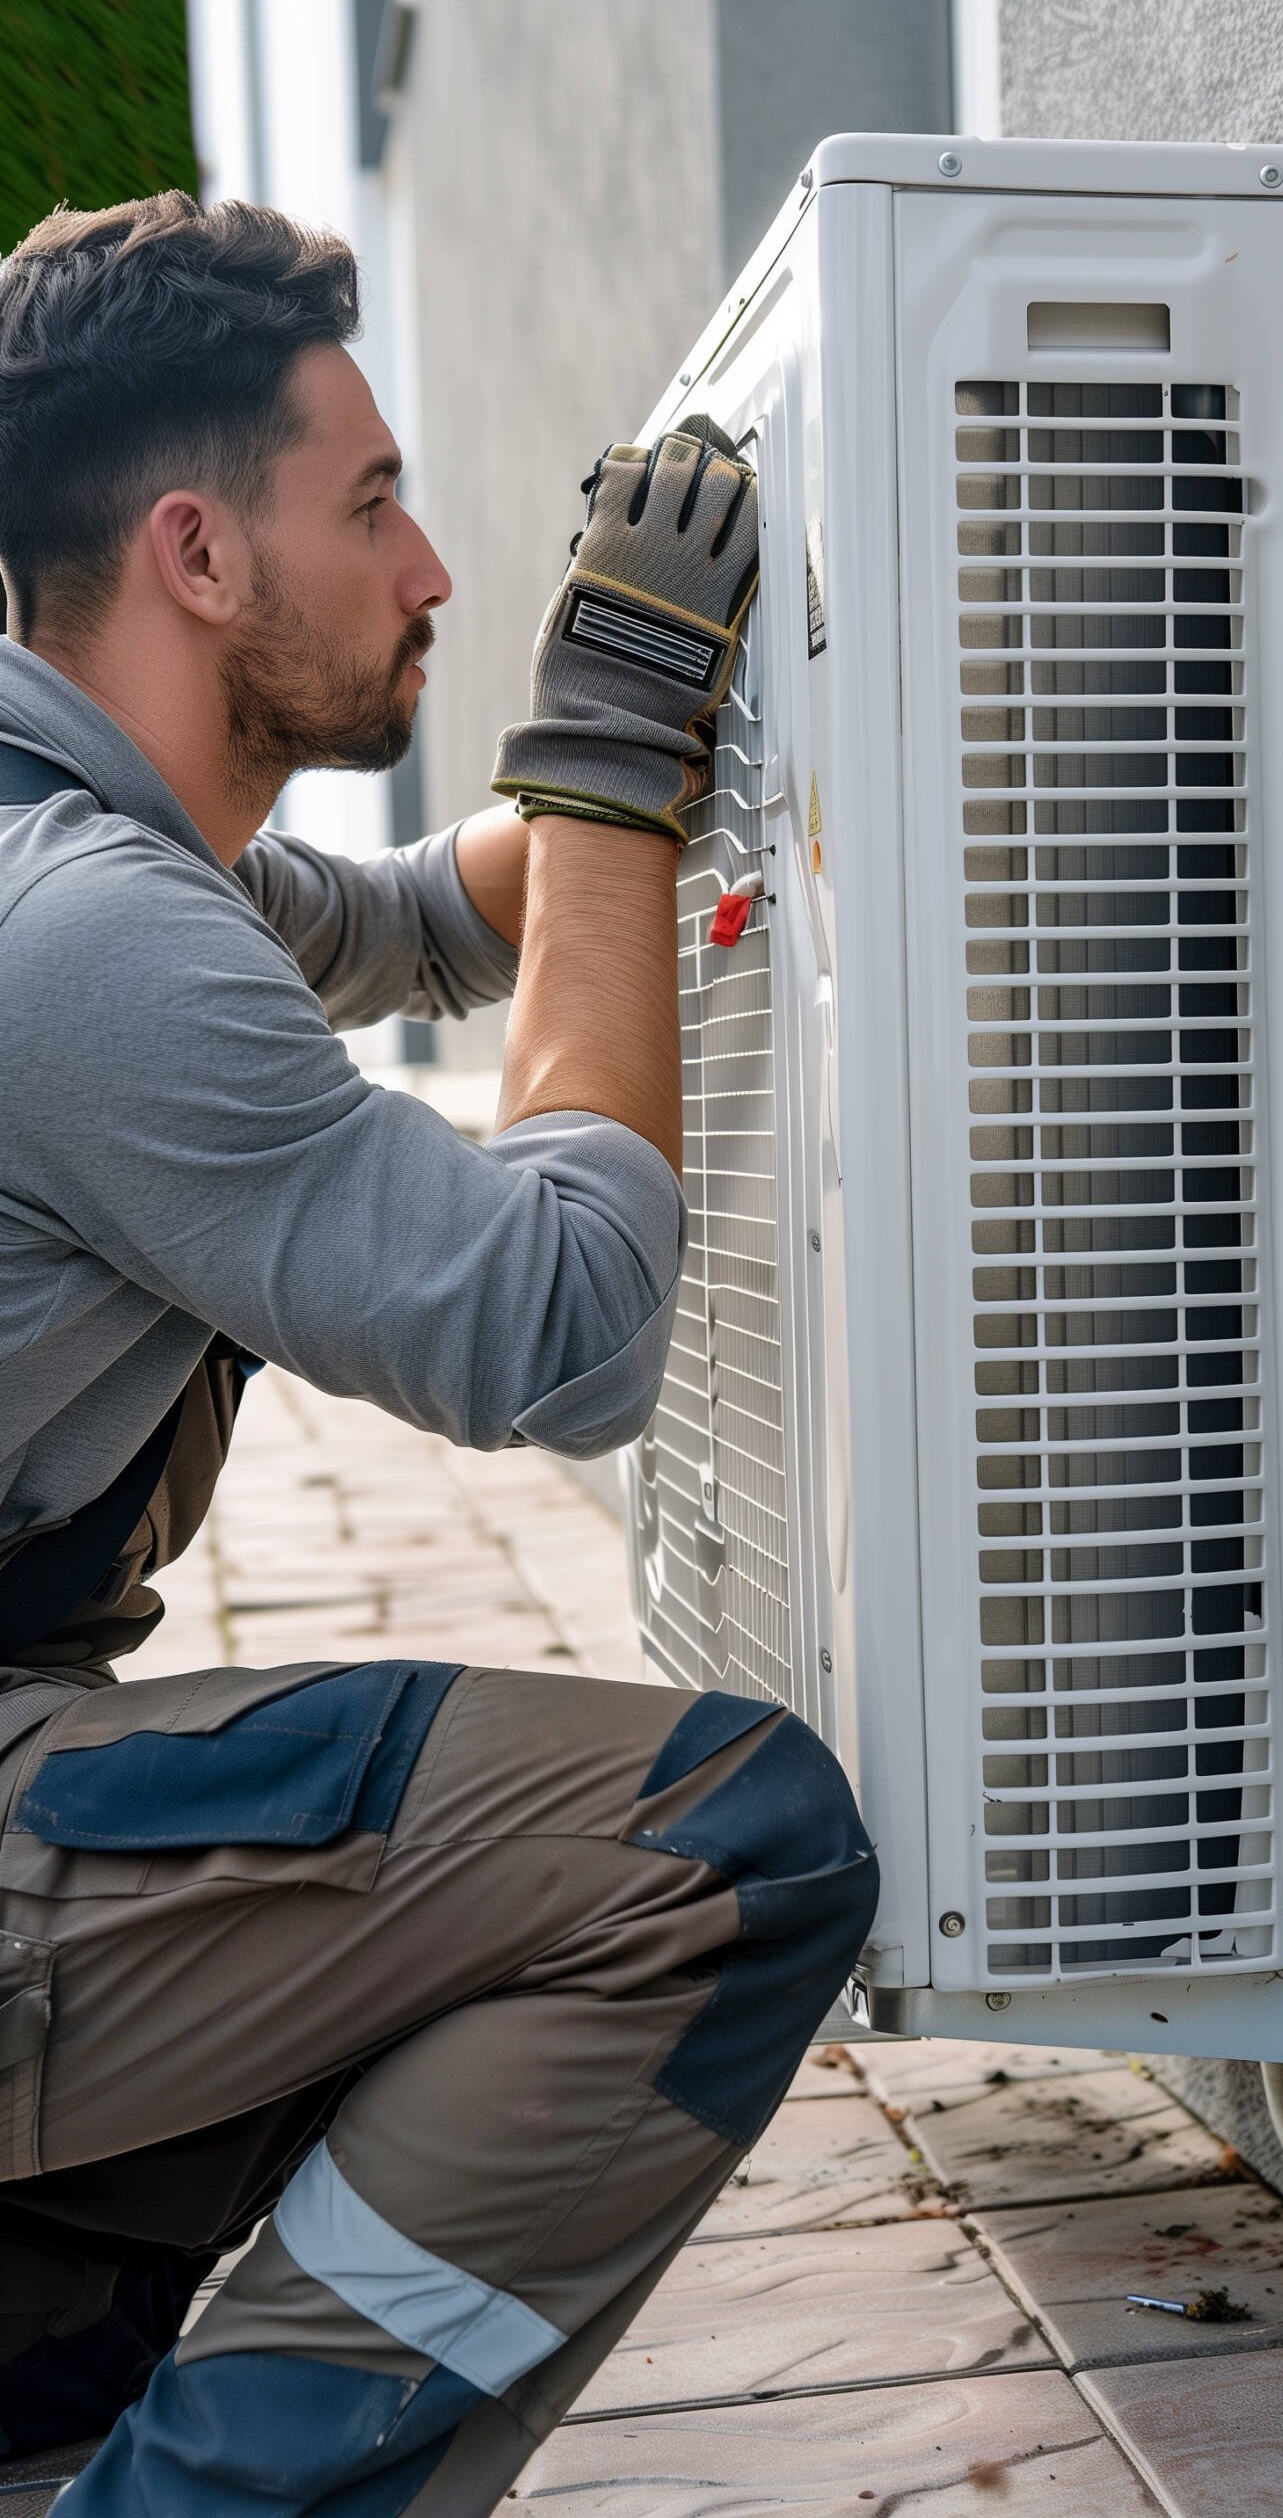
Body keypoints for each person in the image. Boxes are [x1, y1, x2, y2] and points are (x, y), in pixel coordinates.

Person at [0, 191, 877, 2516]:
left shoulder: (79, 842)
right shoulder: (82, 935)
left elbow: (406, 919)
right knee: (714, 1842)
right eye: (370, 503)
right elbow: (556, 1327)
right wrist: (599, 767)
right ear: (197, 551)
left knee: (322, 1887)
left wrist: (676, 712)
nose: (430, 568)